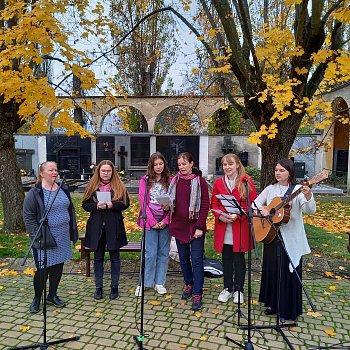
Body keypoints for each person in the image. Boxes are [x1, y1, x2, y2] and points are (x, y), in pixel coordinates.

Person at [253, 159, 316, 321]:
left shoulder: (297, 190)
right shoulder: (270, 189)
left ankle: (287, 309)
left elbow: (310, 210)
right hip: (272, 236)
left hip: (291, 238)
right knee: (273, 271)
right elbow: (255, 204)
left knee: (287, 273)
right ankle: (273, 305)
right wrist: (264, 209)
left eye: (281, 170)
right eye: (276, 170)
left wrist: (308, 195)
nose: (278, 173)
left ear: (290, 172)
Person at [23, 161, 78, 313]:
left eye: (56, 169)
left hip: (62, 235)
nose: (55, 172)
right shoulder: (35, 192)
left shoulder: (63, 188)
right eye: (50, 170)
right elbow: (28, 217)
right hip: (44, 236)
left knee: (58, 266)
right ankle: (37, 298)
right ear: (42, 173)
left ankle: (52, 295)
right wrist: (37, 235)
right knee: (43, 269)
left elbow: (69, 209)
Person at [211, 154, 257, 304]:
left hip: (240, 227)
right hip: (224, 227)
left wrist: (238, 214)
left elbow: (252, 203)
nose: (227, 167)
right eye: (224, 165)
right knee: (227, 259)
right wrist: (221, 216)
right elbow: (214, 204)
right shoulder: (218, 182)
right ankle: (227, 288)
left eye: (230, 164)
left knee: (239, 259)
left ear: (237, 165)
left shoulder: (246, 181)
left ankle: (239, 289)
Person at [82, 160, 129, 300]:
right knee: (98, 258)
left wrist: (111, 205)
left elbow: (126, 203)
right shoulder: (92, 185)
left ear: (112, 172)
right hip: (97, 227)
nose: (106, 173)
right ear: (99, 172)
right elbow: (85, 204)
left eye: (109, 171)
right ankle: (99, 287)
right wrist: (97, 206)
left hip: (113, 226)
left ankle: (114, 287)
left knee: (115, 257)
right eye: (103, 171)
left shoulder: (118, 185)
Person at [168, 152, 210, 311]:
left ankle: (198, 293)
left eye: (184, 163)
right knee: (184, 259)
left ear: (192, 163)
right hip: (179, 226)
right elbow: (171, 202)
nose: (182, 167)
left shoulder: (201, 182)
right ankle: (189, 284)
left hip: (195, 228)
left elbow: (205, 205)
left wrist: (200, 226)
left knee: (197, 260)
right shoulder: (175, 180)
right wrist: (166, 204)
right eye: (179, 164)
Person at [135, 152, 171, 296]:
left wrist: (165, 221)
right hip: (150, 221)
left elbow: (174, 203)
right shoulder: (145, 180)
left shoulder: (170, 180)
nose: (158, 167)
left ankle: (159, 282)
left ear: (164, 165)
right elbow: (143, 202)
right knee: (150, 254)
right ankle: (144, 282)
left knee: (163, 253)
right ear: (151, 165)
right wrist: (152, 221)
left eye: (160, 164)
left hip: (165, 222)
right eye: (155, 164)